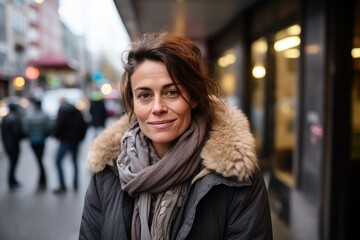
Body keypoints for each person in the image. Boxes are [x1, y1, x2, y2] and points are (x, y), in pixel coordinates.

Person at [79, 32, 273, 239]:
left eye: (171, 92)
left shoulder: (236, 178)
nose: (157, 108)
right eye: (144, 95)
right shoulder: (108, 172)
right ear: (133, 104)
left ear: (194, 98)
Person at [53, 97, 87, 194]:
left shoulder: (62, 110)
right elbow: (84, 125)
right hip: (75, 141)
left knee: (58, 161)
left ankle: (62, 185)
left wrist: (56, 135)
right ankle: (75, 184)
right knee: (74, 162)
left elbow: (59, 125)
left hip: (65, 140)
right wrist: (80, 138)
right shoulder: (77, 111)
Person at [22, 98, 51, 191]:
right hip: (41, 140)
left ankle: (42, 180)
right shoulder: (44, 115)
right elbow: (49, 127)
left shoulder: (29, 115)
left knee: (39, 160)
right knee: (40, 160)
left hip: (33, 141)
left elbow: (25, 128)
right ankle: (43, 180)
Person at [1, 102, 26, 190]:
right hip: (13, 145)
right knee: (13, 164)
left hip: (8, 145)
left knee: (12, 163)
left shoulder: (6, 118)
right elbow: (17, 133)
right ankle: (11, 181)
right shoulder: (13, 119)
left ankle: (12, 180)